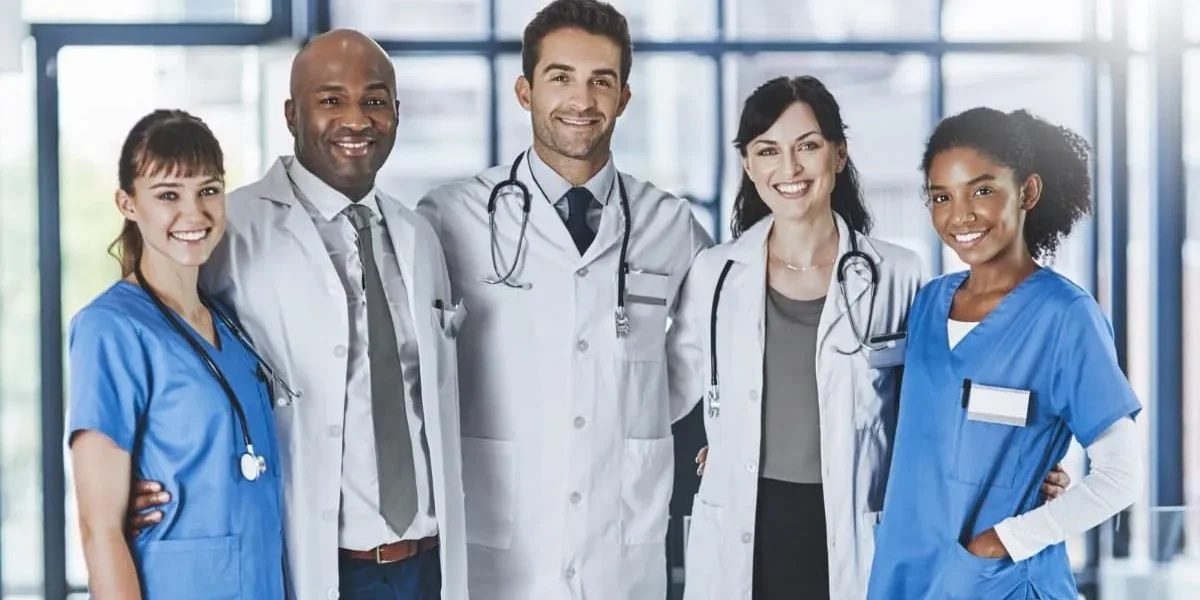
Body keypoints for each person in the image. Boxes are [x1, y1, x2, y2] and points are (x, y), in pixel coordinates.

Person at [679, 80, 1073, 600]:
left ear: (839, 155)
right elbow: (675, 386)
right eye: (767, 150)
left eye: (808, 146)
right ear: (749, 166)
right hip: (743, 523)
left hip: (857, 523)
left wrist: (1019, 459)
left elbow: (945, 396)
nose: (789, 168)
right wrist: (716, 444)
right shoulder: (715, 273)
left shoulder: (897, 274)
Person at [126, 30, 468, 600]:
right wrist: (128, 469)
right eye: (331, 100)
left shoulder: (417, 235)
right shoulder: (228, 226)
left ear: (396, 114)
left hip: (426, 564)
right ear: (291, 113)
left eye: (374, 100)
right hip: (311, 560)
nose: (356, 119)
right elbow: (146, 345)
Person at [415, 0, 711, 597]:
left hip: (621, 553)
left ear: (624, 97)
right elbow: (416, 366)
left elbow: (700, 360)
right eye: (561, 78)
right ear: (525, 91)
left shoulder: (670, 225)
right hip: (499, 551)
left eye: (602, 80)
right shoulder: (451, 218)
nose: (582, 100)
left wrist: (630, 405)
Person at [865, 107, 1143, 599]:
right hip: (909, 575)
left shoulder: (1065, 315)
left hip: (1000, 582)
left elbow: (1121, 477)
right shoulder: (928, 304)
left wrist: (1003, 542)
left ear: (1028, 192)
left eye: (982, 190)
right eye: (941, 197)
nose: (960, 215)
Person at [68, 109, 286, 599]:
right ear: (127, 203)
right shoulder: (111, 328)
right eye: (168, 195)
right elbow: (97, 527)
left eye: (208, 190)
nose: (194, 213)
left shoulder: (231, 324)